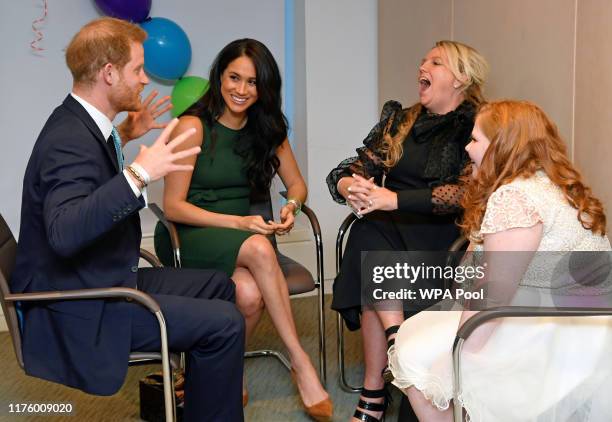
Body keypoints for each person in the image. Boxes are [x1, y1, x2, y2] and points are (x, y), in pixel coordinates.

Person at [11, 17, 245, 422]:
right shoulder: (69, 139)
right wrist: (139, 173)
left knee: (219, 286)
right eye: (137, 69)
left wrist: (123, 135)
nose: (143, 79)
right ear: (108, 73)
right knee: (224, 323)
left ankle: (199, 407)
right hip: (76, 304)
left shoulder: (81, 124)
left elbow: (89, 176)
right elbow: (64, 233)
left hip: (98, 276)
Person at [388, 100, 612, 421]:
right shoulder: (553, 185)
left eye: (476, 139)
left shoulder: (516, 197)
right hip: (583, 321)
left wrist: (452, 363)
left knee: (417, 357)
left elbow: (491, 298)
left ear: (502, 147)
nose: (467, 148)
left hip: (553, 333)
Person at [153, 38, 332, 420]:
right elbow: (174, 207)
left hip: (241, 235)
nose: (241, 90)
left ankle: (224, 372)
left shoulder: (267, 129)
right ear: (220, 76)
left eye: (252, 82)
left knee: (249, 295)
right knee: (260, 248)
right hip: (188, 235)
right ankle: (301, 363)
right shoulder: (192, 127)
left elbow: (297, 185)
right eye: (234, 77)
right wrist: (238, 223)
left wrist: (291, 206)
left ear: (264, 88)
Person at [326, 40, 488, 421]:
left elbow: (466, 193)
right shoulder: (402, 119)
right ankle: (397, 346)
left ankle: (373, 395)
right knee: (369, 236)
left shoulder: (475, 125)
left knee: (374, 260)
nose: (422, 66)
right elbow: (350, 169)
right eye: (423, 59)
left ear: (461, 78)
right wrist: (353, 187)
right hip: (388, 230)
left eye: (435, 61)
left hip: (444, 240)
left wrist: (391, 201)